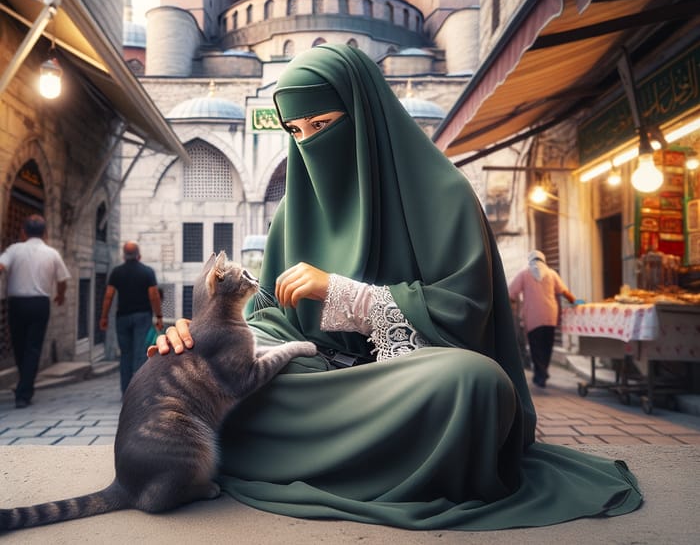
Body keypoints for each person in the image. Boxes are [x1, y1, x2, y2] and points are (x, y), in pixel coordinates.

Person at [155, 44, 641, 530]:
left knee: (477, 385)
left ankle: (308, 455)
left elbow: (463, 315)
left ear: (365, 115)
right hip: (318, 381)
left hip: (406, 382)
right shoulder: (292, 212)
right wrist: (206, 337)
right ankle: (371, 457)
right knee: (190, 370)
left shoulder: (444, 195)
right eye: (295, 132)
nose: (308, 144)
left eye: (322, 126)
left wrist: (341, 292)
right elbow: (270, 319)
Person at [0, 214, 70, 408]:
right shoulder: (52, 253)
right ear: (45, 233)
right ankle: (24, 389)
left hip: (17, 304)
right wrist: (61, 295)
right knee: (33, 347)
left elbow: (1, 265)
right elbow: (63, 279)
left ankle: (23, 390)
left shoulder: (14, 249)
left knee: (19, 346)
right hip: (40, 304)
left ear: (23, 232)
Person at [101, 241, 162, 395]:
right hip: (142, 316)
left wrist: (104, 316)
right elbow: (154, 296)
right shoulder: (147, 272)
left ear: (123, 256)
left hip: (122, 317)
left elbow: (108, 296)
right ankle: (139, 391)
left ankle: (126, 391)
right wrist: (159, 316)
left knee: (125, 354)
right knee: (140, 353)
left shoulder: (116, 272)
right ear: (139, 256)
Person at [509, 250, 576, 388]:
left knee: (536, 346)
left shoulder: (524, 274)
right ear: (543, 260)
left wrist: (511, 306)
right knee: (547, 345)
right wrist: (574, 301)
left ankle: (540, 374)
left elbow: (510, 293)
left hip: (533, 316)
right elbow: (564, 291)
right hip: (550, 314)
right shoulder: (552, 274)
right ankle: (543, 371)